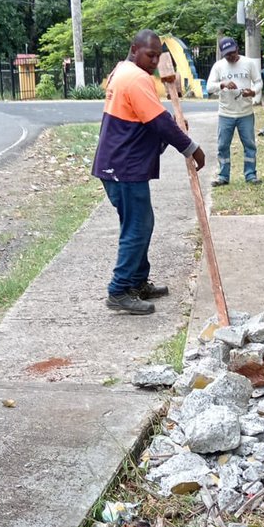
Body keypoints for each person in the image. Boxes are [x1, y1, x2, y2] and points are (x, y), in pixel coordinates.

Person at [92, 29, 206, 316]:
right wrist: (191, 147)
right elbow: (159, 122)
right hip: (123, 167)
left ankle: (137, 282)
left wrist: (174, 125)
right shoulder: (135, 78)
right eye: (150, 54)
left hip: (118, 164)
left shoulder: (123, 71)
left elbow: (152, 119)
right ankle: (119, 290)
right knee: (138, 227)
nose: (155, 60)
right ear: (134, 49)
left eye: (158, 55)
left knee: (139, 224)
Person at [206, 38, 263, 186]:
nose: (230, 57)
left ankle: (250, 174)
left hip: (246, 113)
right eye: (227, 55)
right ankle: (223, 176)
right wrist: (222, 84)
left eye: (232, 53)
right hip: (226, 113)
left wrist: (253, 92)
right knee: (223, 146)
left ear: (237, 48)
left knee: (249, 145)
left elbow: (258, 81)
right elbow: (209, 87)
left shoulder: (249, 63)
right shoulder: (218, 66)